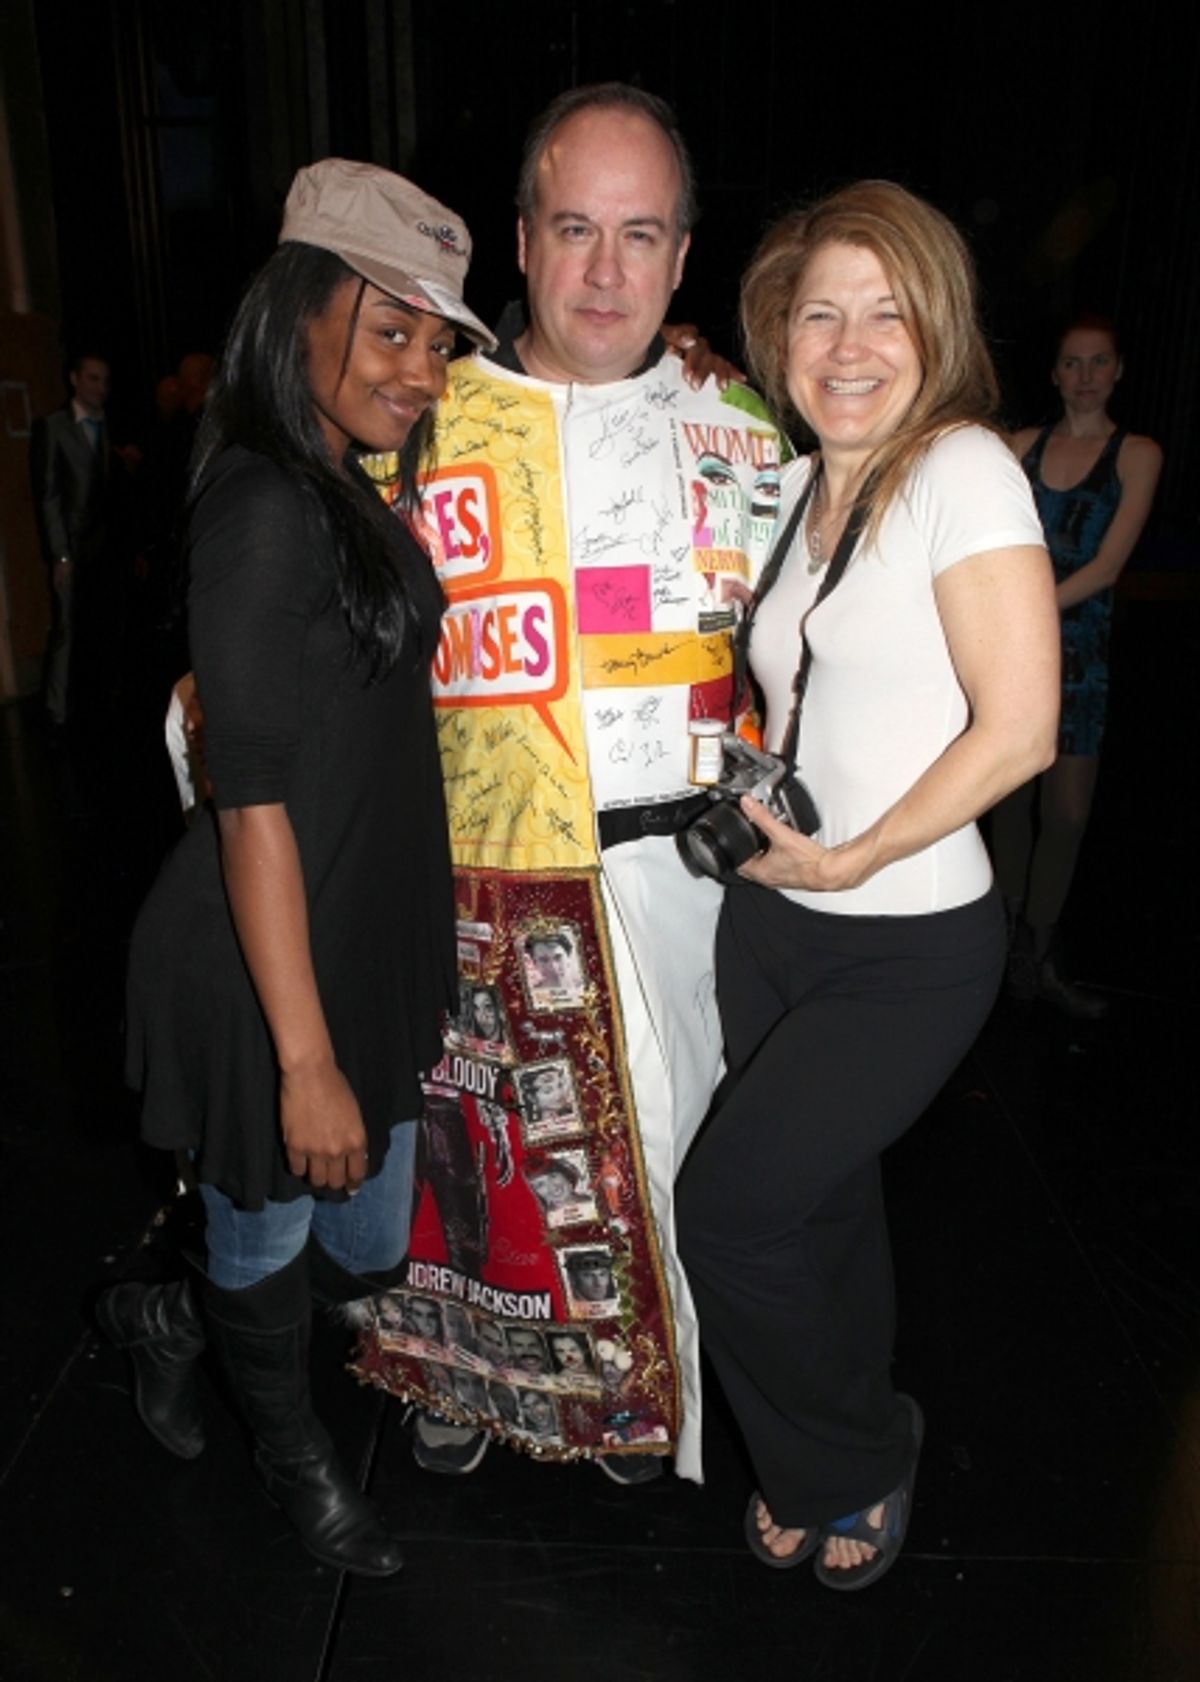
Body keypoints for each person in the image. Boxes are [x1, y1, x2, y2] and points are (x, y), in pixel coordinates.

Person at [353, 82, 787, 1487]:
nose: (608, 271)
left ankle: (635, 1391)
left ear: (681, 253)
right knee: (476, 1177)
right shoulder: (416, 427)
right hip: (472, 871)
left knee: (668, 1158)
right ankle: (467, 1381)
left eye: (641, 234)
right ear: (523, 242)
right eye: (577, 229)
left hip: (688, 878)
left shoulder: (745, 429)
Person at [94, 158, 495, 1578]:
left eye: (438, 341)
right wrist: (304, 1057)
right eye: (391, 331)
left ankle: (172, 1315)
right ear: (296, 317)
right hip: (265, 966)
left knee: (366, 1249)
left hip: (358, 933)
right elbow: (252, 803)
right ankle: (297, 1459)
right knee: (274, 1237)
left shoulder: (335, 481)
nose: (423, 369)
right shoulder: (263, 503)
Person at [675, 180, 1060, 1590]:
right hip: (770, 921)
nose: (849, 343)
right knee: (820, 1203)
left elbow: (1017, 726)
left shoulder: (963, 469)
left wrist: (854, 852)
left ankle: (848, 1457)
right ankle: (848, 1428)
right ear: (779, 338)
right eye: (819, 312)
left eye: (884, 311)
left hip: (905, 938)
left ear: (936, 328)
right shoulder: (798, 486)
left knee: (728, 1211)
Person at [991, 315, 1162, 1016]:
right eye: (1072, 364)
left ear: (1118, 371)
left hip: (1078, 647)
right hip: (1010, 647)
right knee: (1007, 802)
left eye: (1098, 363)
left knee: (1065, 812)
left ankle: (1039, 950)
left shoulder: (1138, 453)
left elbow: (1108, 567)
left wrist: (1031, 612)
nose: (1085, 376)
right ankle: (1001, 952)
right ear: (1055, 373)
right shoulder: (1020, 447)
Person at [31, 350, 133, 725]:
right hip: (72, 547)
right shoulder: (53, 426)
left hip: (106, 546)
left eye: (105, 380)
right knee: (67, 629)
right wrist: (59, 555)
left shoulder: (109, 426)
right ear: (73, 379)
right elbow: (48, 495)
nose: (101, 388)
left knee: (105, 625)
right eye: (93, 378)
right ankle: (56, 711)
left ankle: (101, 702)